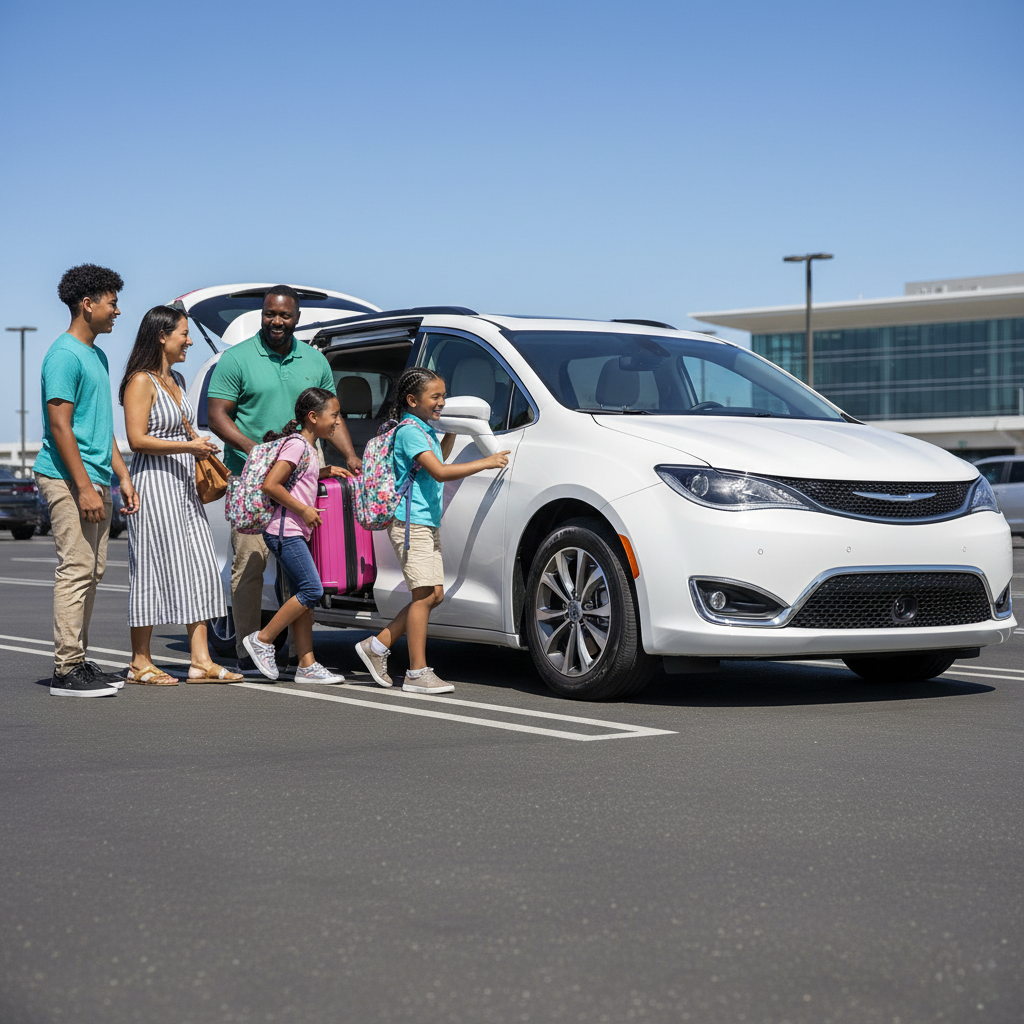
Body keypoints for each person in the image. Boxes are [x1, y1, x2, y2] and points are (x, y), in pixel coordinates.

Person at [206, 286, 359, 671]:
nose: (276, 322)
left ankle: (296, 654)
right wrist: (259, 451)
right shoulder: (236, 360)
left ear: (297, 318)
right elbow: (217, 416)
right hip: (251, 479)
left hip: (302, 480)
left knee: (298, 569)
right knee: (251, 563)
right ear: (262, 313)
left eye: (284, 315)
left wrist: (352, 455)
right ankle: (247, 653)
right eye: (270, 314)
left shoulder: (314, 360)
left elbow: (330, 416)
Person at [354, 368, 510, 694]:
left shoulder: (425, 430)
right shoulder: (410, 431)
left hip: (425, 523)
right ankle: (416, 672)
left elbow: (439, 456)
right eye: (435, 397)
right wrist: (487, 461)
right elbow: (439, 471)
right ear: (412, 400)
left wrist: (450, 428)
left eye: (443, 396)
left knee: (433, 595)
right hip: (410, 525)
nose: (442, 402)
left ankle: (377, 645)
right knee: (424, 596)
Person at [120, 306, 243, 685]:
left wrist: (195, 445)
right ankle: (140, 661)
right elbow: (136, 439)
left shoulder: (175, 377)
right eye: (183, 334)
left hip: (182, 485)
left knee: (202, 567)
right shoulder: (141, 381)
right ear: (161, 335)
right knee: (153, 567)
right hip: (153, 486)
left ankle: (200, 660)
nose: (189, 340)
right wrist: (190, 448)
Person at [34, 264, 140, 697]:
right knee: (76, 569)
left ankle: (78, 658)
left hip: (95, 477)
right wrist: (81, 487)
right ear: (88, 303)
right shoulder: (63, 356)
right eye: (112, 302)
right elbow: (60, 427)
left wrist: (122, 477)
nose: (118, 310)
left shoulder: (95, 355)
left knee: (92, 570)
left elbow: (100, 428)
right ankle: (66, 669)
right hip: (66, 476)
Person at [241, 388, 346, 684]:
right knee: (312, 590)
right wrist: (304, 510)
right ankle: (263, 640)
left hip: (293, 532)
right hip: (284, 532)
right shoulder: (297, 445)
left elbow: (297, 479)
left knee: (304, 596)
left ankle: (307, 665)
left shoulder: (307, 449)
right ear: (313, 417)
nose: (338, 422)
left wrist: (323, 472)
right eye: (334, 415)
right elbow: (272, 485)